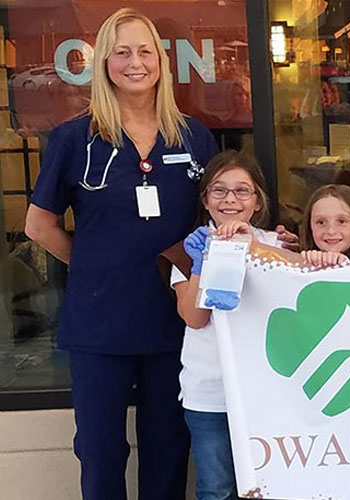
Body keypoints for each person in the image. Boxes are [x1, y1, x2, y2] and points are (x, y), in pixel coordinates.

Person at [23, 8, 219, 498]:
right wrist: (91, 264)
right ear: (104, 63)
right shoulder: (74, 139)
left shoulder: (194, 138)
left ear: (162, 62)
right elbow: (38, 225)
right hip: (99, 323)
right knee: (101, 450)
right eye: (122, 52)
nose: (136, 63)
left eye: (145, 51)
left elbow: (218, 221)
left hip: (174, 321)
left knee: (169, 447)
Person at [173, 151, 276, 500]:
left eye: (242, 191)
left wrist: (256, 246)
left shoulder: (276, 244)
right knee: (216, 487)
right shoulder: (187, 250)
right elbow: (194, 317)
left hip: (267, 392)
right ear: (205, 199)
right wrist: (204, 260)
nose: (230, 199)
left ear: (258, 200)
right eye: (219, 190)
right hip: (209, 393)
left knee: (270, 483)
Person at [297, 184, 350, 268]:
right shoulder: (296, 267)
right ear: (310, 227)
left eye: (341, 221)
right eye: (321, 222)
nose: (331, 231)